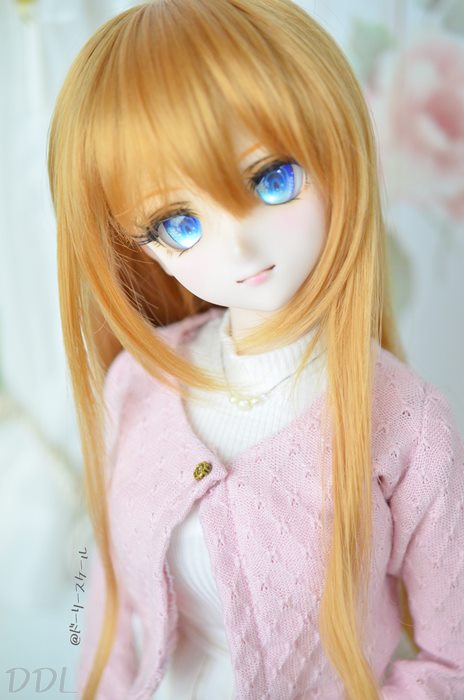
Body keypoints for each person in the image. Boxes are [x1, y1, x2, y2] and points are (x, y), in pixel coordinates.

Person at [47, 0, 464, 698]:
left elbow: (452, 664)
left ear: (336, 156)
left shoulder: (405, 424)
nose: (239, 247)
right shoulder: (137, 383)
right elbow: (109, 605)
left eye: (272, 180)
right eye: (178, 222)